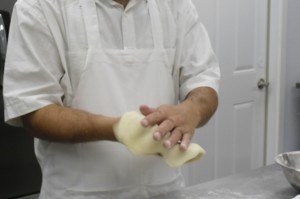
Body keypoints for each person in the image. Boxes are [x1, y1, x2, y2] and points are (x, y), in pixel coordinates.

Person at [3, 0, 220, 198]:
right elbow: (35, 111)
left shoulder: (176, 6)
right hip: (77, 193)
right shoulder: (41, 7)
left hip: (165, 190)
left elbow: (204, 79)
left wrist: (192, 110)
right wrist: (119, 128)